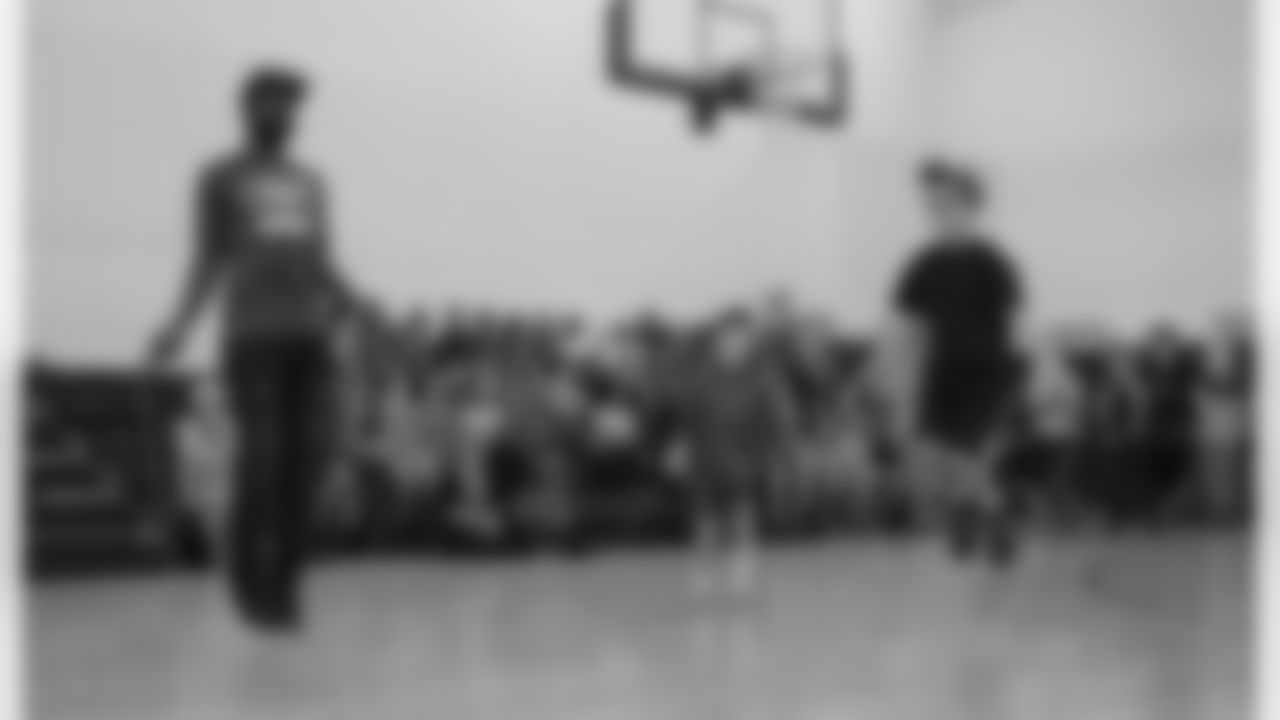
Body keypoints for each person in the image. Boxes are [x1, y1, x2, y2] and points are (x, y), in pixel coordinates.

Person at [150, 65, 352, 630]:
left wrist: (354, 304)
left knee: (303, 466)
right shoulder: (220, 176)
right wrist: (178, 326)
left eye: (291, 105)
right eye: (272, 103)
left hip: (309, 339)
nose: (283, 114)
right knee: (262, 462)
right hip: (252, 338)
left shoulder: (312, 181)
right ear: (247, 109)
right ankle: (248, 583)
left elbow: (321, 262)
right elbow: (207, 258)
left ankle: (285, 587)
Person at [893, 159, 1025, 564]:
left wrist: (1015, 382)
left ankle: (996, 517)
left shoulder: (991, 262)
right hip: (941, 374)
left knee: (968, 453)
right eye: (933, 206)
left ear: (969, 208)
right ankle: (969, 513)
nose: (938, 214)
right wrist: (905, 385)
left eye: (947, 205)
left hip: (987, 373)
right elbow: (909, 327)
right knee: (940, 456)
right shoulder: (925, 263)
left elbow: (1016, 324)